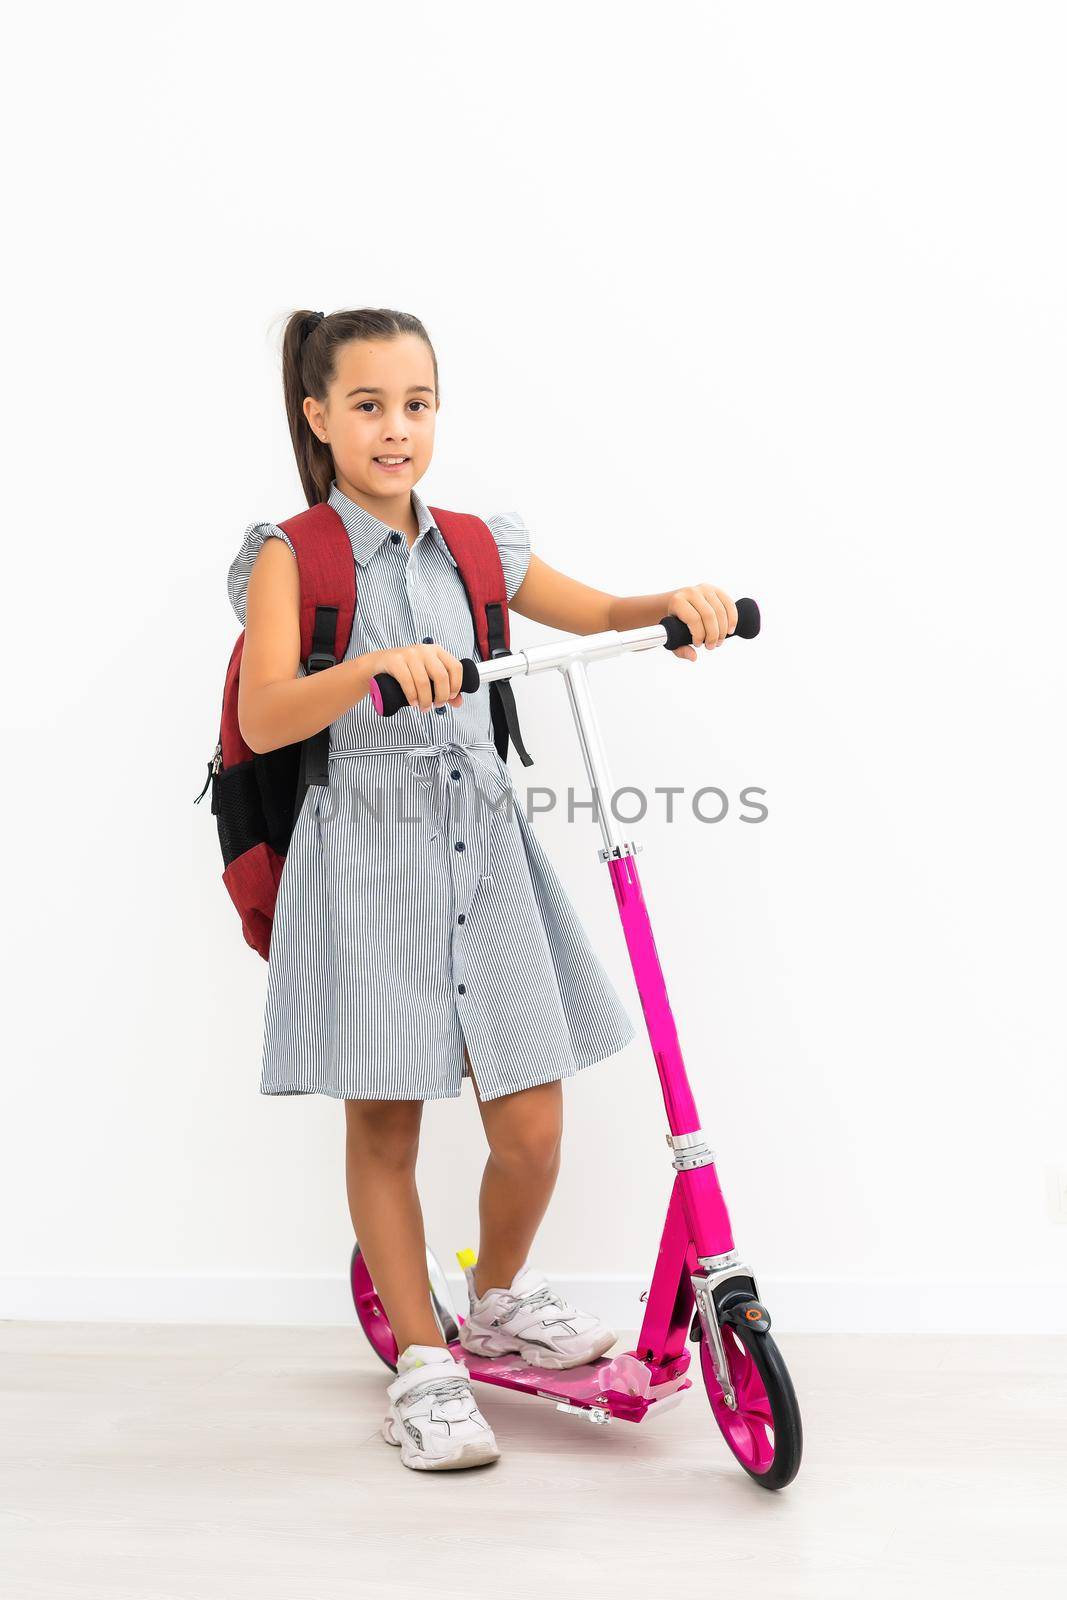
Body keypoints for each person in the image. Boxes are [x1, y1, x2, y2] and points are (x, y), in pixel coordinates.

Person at [228, 306, 739, 1472]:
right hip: (366, 856)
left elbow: (602, 611)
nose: (395, 428)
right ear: (318, 417)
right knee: (387, 1118)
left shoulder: (475, 547)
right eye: (366, 405)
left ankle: (492, 1297)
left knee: (532, 1124)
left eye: (415, 404)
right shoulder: (290, 553)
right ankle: (423, 1362)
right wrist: (364, 670)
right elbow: (264, 712)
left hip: (485, 848)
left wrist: (674, 607)